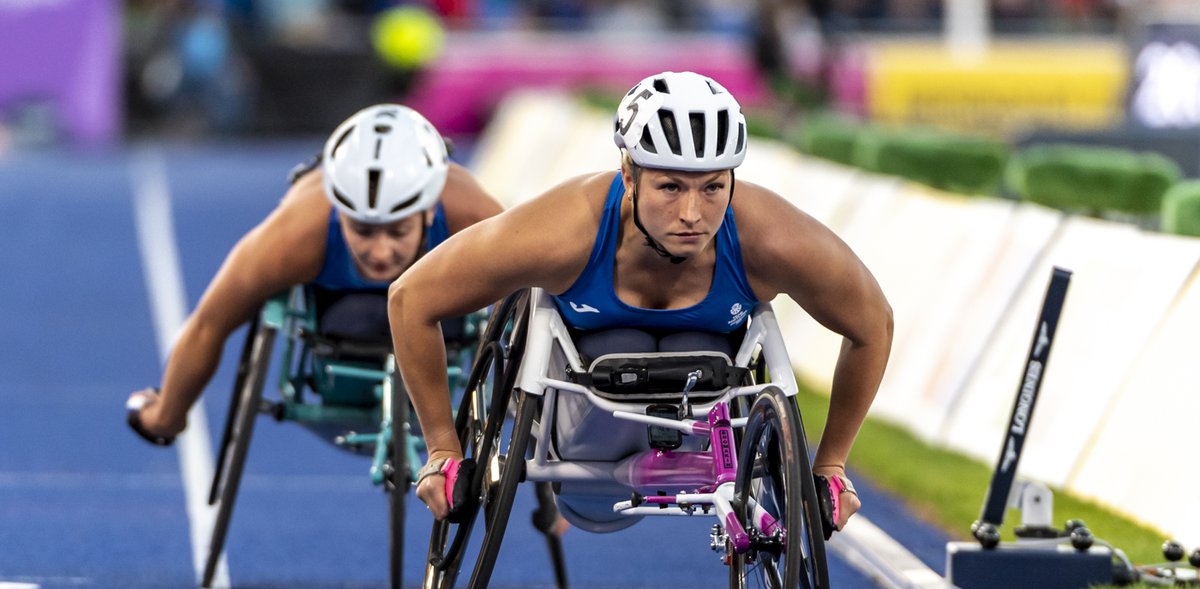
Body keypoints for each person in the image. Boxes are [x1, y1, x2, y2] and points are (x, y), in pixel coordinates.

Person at [388, 70, 893, 533]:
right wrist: (442, 449)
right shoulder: (564, 231)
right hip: (584, 426)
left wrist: (830, 465)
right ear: (628, 175)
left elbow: (873, 325)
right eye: (670, 187)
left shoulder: (771, 239)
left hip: (700, 402)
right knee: (620, 342)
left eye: (714, 187)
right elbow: (411, 298)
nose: (693, 213)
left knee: (697, 346)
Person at [126, 103, 503, 445]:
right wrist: (167, 417)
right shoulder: (295, 235)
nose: (382, 252)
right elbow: (210, 324)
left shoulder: (470, 214)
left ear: (427, 213)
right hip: (335, 307)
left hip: (437, 307)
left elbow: (529, 309)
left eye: (399, 231)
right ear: (340, 214)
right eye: (364, 231)